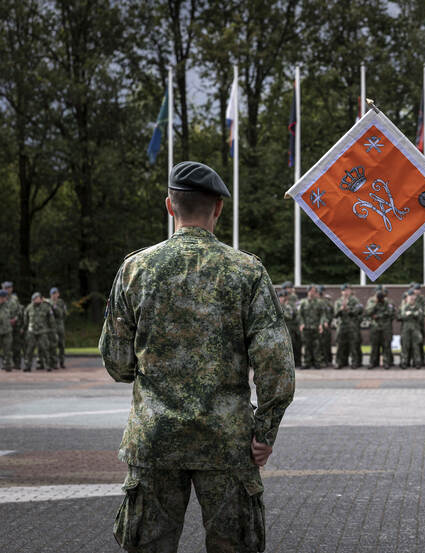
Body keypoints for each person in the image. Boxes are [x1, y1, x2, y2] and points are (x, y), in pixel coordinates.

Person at [99, 161, 295, 553]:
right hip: (226, 442)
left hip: (155, 439)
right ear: (218, 208)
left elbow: (118, 362)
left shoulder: (136, 269)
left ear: (170, 206)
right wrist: (265, 431)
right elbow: (276, 366)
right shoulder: (246, 272)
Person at [24, 292, 57, 372]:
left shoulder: (46, 307)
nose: (37, 300)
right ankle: (27, 365)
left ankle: (47, 365)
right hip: (32, 331)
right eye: (35, 298)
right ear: (33, 299)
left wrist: (52, 329)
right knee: (29, 349)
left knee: (45, 348)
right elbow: (26, 319)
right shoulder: (29, 307)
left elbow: (51, 319)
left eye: (38, 298)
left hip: (42, 331)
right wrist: (25, 329)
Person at [333, 283, 363, 369]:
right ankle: (339, 362)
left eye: (348, 290)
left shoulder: (355, 300)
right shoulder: (338, 301)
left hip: (352, 326)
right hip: (342, 326)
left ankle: (354, 362)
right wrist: (341, 309)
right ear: (341, 292)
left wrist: (349, 309)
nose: (346, 292)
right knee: (340, 345)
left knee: (353, 345)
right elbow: (335, 314)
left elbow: (359, 310)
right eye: (344, 290)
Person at [365, 286, 395, 369]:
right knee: (374, 345)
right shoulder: (371, 301)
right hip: (375, 326)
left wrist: (378, 315)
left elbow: (391, 313)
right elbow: (368, 312)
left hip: (386, 326)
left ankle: (386, 362)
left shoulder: (389, 301)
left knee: (386, 345)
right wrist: (376, 303)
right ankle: (373, 362)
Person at [298, 285, 327, 369]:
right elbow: (299, 315)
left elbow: (323, 315)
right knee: (307, 346)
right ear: (308, 292)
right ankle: (307, 363)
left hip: (316, 327)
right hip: (306, 327)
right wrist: (301, 323)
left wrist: (321, 324)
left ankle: (317, 363)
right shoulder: (303, 302)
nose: (312, 292)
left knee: (317, 346)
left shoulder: (319, 302)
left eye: (314, 291)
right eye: (311, 291)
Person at [399, 291, 424, 369]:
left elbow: (420, 317)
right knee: (405, 346)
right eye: (410, 297)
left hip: (415, 328)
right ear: (407, 298)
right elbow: (400, 316)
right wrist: (408, 314)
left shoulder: (418, 306)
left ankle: (417, 362)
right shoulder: (403, 307)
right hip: (405, 329)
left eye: (413, 297)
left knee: (416, 346)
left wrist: (411, 313)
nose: (411, 298)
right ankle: (404, 362)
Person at [2, 281, 23, 370]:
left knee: (16, 345)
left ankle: (17, 363)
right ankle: (6, 363)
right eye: (5, 288)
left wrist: (16, 319)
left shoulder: (15, 299)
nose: (7, 290)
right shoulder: (1, 298)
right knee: (5, 346)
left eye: (9, 288)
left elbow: (20, 311)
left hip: (15, 325)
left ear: (11, 289)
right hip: (4, 326)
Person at [47, 287, 68, 369]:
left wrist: (55, 307)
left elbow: (63, 314)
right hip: (51, 326)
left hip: (60, 325)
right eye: (53, 294)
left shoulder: (61, 302)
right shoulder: (48, 302)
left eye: (55, 293)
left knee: (61, 344)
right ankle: (54, 362)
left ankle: (62, 362)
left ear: (58, 294)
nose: (54, 295)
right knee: (53, 344)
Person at [0, 290, 12, 371]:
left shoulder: (8, 305)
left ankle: (8, 365)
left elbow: (14, 314)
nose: (4, 299)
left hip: (7, 331)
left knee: (7, 349)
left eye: (4, 297)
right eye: (3, 297)